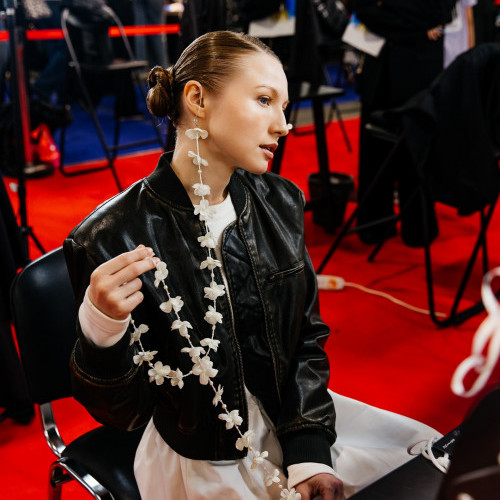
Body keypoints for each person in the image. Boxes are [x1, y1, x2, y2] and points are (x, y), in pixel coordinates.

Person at [64, 31, 439, 499]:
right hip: (200, 458)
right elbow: (125, 414)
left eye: (284, 107)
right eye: (264, 100)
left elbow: (305, 338)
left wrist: (308, 452)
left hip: (297, 419)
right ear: (197, 99)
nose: (284, 126)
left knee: (431, 468)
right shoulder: (108, 237)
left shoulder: (281, 202)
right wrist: (101, 330)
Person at [353, 0, 455, 247]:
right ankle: (375, 224)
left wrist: (387, 6)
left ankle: (418, 225)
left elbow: (438, 11)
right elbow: (363, 8)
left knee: (416, 148)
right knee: (374, 150)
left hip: (420, 69)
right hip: (380, 63)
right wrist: (417, 30)